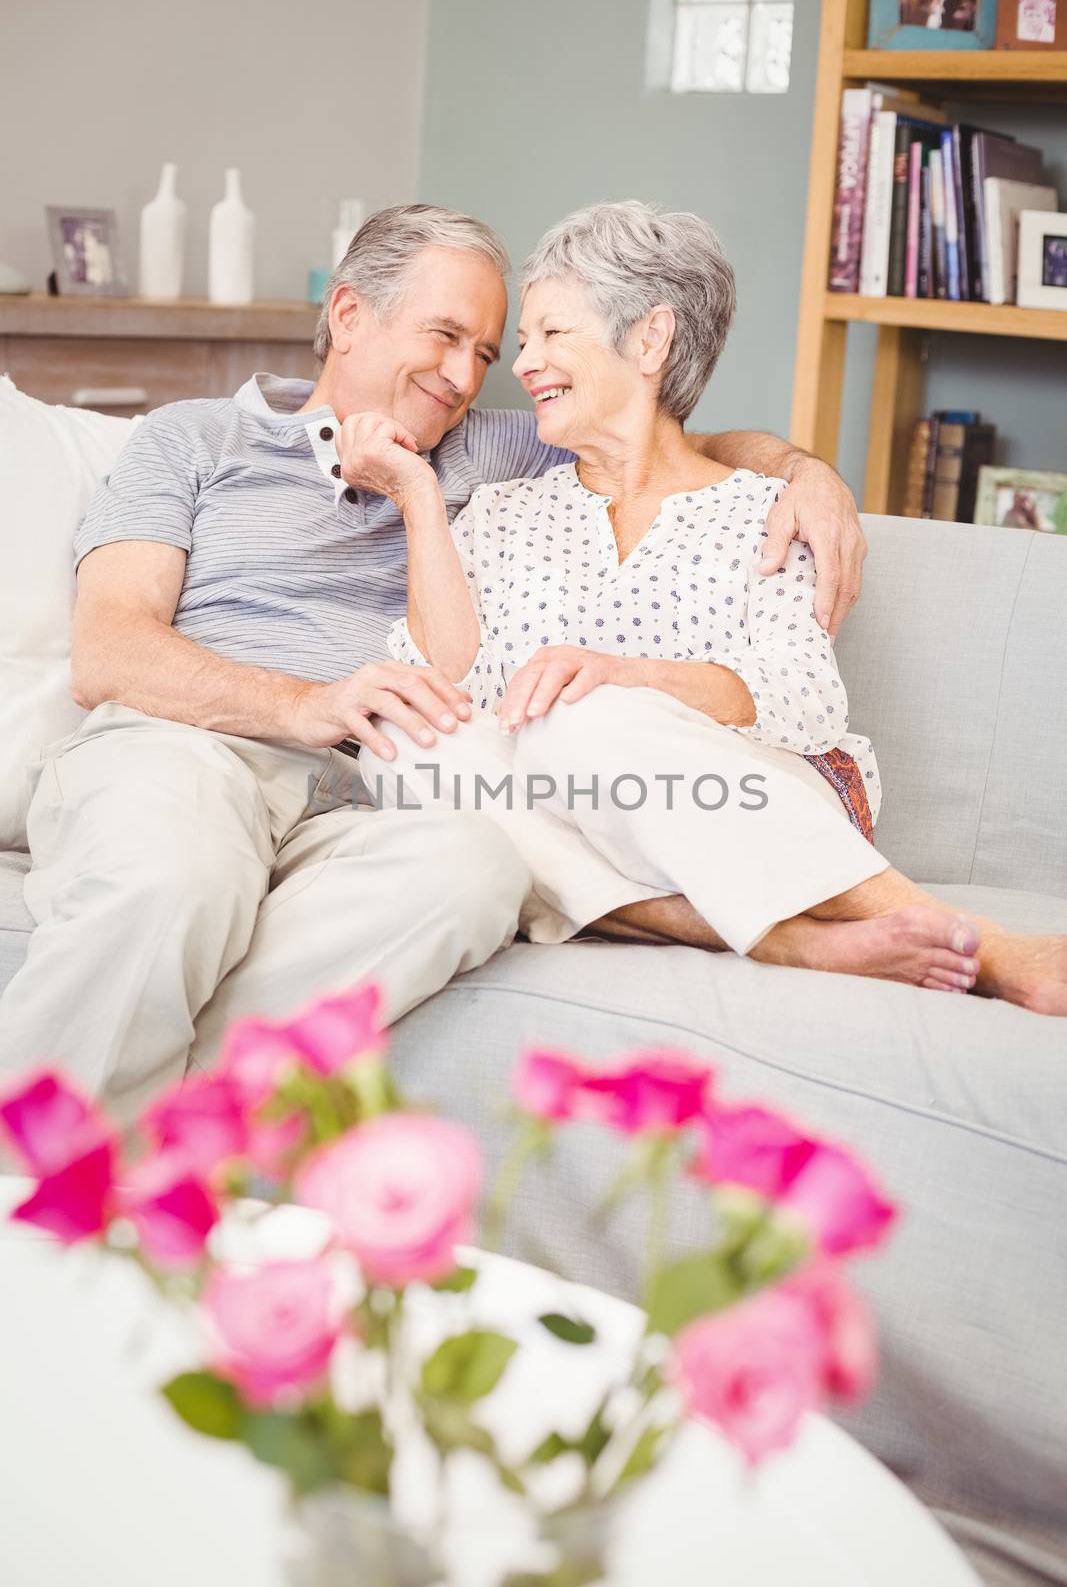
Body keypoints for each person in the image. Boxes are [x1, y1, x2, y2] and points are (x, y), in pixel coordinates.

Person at [0, 204, 870, 1114]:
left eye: (485, 354)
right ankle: (37, 1185)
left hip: (367, 792)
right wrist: (304, 705)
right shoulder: (194, 439)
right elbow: (109, 650)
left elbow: (660, 436)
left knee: (478, 870)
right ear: (347, 316)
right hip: (183, 750)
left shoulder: (491, 450)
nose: (462, 377)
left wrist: (810, 476)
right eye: (445, 336)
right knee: (177, 870)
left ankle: (178, 1129)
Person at [350, 201, 1067, 1017]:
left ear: (650, 340)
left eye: (552, 334)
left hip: (747, 804)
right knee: (401, 740)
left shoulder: (768, 509)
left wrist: (630, 681)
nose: (522, 365)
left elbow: (807, 698)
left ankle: (982, 943)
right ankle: (784, 939)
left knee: (586, 720)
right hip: (574, 825)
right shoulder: (502, 511)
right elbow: (445, 687)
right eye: (522, 343)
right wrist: (415, 496)